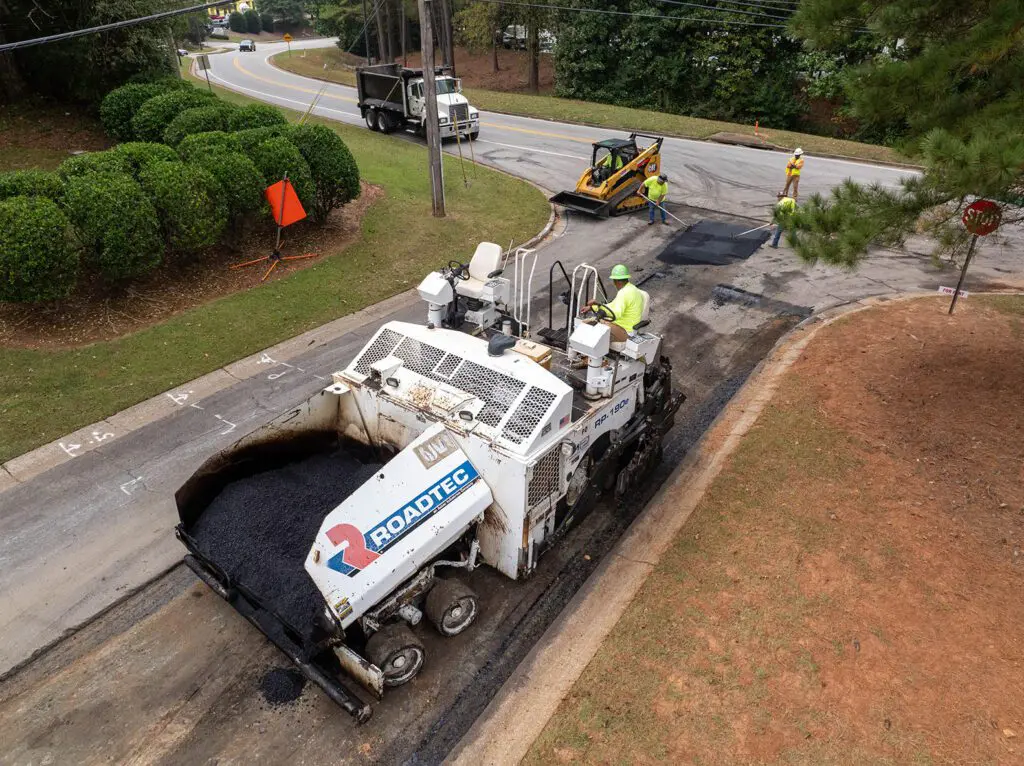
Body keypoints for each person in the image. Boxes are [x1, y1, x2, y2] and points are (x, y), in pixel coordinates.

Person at [581, 264, 644, 343]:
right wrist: (592, 307)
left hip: (625, 331)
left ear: (616, 281)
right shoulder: (631, 288)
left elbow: (615, 313)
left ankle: (587, 355)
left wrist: (599, 308)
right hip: (620, 326)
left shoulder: (624, 293)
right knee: (585, 324)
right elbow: (611, 306)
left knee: (592, 330)